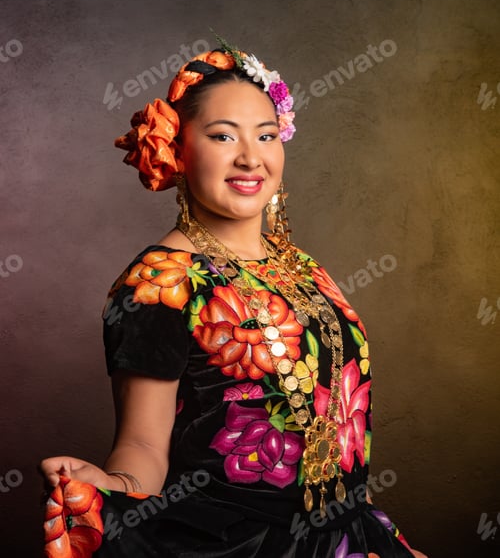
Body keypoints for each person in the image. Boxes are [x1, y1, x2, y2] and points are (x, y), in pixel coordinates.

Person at [40, 41, 428, 558]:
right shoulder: (158, 284)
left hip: (346, 532)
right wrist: (111, 483)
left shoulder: (300, 264)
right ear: (178, 149)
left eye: (266, 135)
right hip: (242, 543)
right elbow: (144, 445)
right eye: (223, 136)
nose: (251, 156)